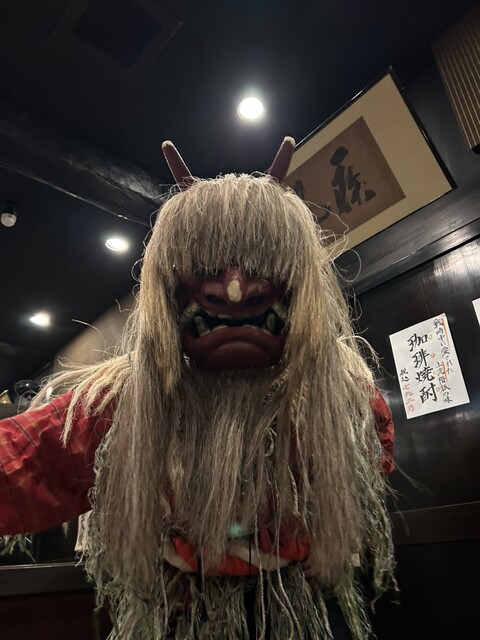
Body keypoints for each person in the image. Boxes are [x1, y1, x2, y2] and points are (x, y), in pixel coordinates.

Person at [0, 138, 394, 639]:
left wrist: (328, 533)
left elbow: (373, 459)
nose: (234, 289)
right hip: (181, 612)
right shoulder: (125, 403)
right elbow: (24, 460)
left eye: (260, 265)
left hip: (298, 605)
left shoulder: (340, 395)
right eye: (206, 269)